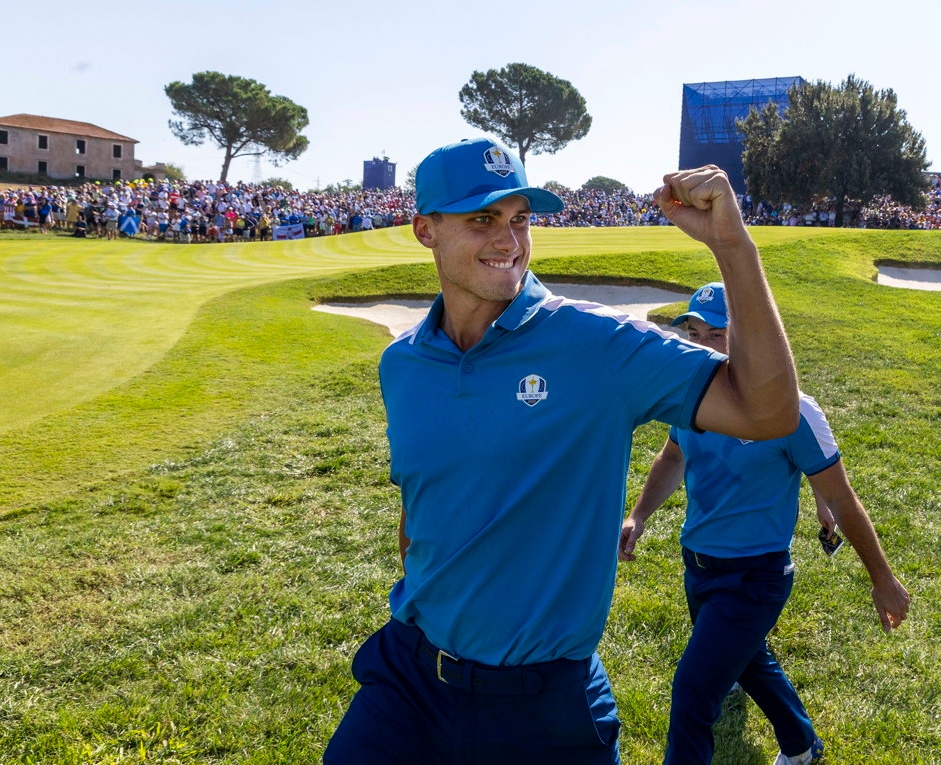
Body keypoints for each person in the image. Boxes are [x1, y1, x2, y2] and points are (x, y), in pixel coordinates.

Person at [323, 138, 800, 764]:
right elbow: (422, 503)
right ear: (424, 230)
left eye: (520, 219)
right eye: (481, 220)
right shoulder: (403, 364)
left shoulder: (599, 343)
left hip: (544, 705)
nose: (509, 241)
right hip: (410, 678)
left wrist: (732, 247)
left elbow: (766, 411)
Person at [619, 283, 910, 765]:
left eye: (717, 335)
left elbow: (841, 496)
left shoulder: (793, 410)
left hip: (754, 577)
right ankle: (803, 745)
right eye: (695, 334)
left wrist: (882, 579)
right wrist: (639, 514)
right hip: (698, 565)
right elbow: (673, 456)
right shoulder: (690, 401)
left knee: (693, 691)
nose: (702, 346)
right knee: (749, 659)